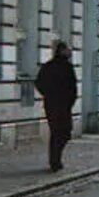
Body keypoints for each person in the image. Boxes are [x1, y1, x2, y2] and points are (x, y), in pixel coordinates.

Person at [35, 41, 78, 172]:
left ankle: (55, 159)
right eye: (67, 50)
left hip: (57, 105)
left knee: (62, 132)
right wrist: (51, 95)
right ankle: (55, 160)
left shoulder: (57, 66)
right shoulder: (55, 67)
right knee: (60, 132)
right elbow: (39, 83)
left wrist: (49, 95)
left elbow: (72, 88)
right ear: (61, 51)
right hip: (58, 105)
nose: (70, 52)